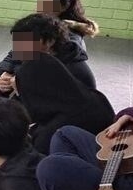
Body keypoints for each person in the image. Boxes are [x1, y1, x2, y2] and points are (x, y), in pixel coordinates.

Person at [0, 0, 97, 114]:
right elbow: (15, 56)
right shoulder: (36, 26)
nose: (40, 8)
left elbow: (43, 81)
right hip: (24, 86)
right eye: (40, 2)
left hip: (38, 100)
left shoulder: (68, 47)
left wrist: (15, 81)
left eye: (47, 4)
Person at [9, 14, 115, 154]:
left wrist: (19, 90)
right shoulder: (43, 60)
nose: (18, 49)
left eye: (24, 42)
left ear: (49, 41)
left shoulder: (70, 70)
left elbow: (39, 110)